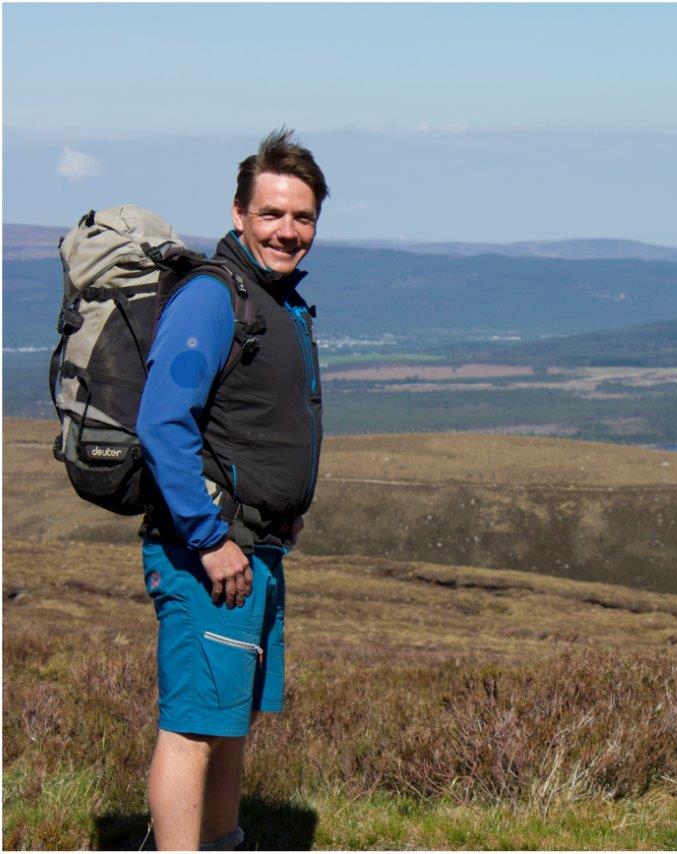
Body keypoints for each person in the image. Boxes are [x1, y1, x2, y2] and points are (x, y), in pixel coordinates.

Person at [137, 128, 328, 850]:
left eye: (302, 217)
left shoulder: (276, 301)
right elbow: (162, 423)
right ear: (239, 213)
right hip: (205, 556)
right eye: (273, 213)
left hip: (255, 550)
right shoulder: (213, 298)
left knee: (229, 725)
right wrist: (210, 538)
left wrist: (280, 513)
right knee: (191, 729)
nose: (288, 230)